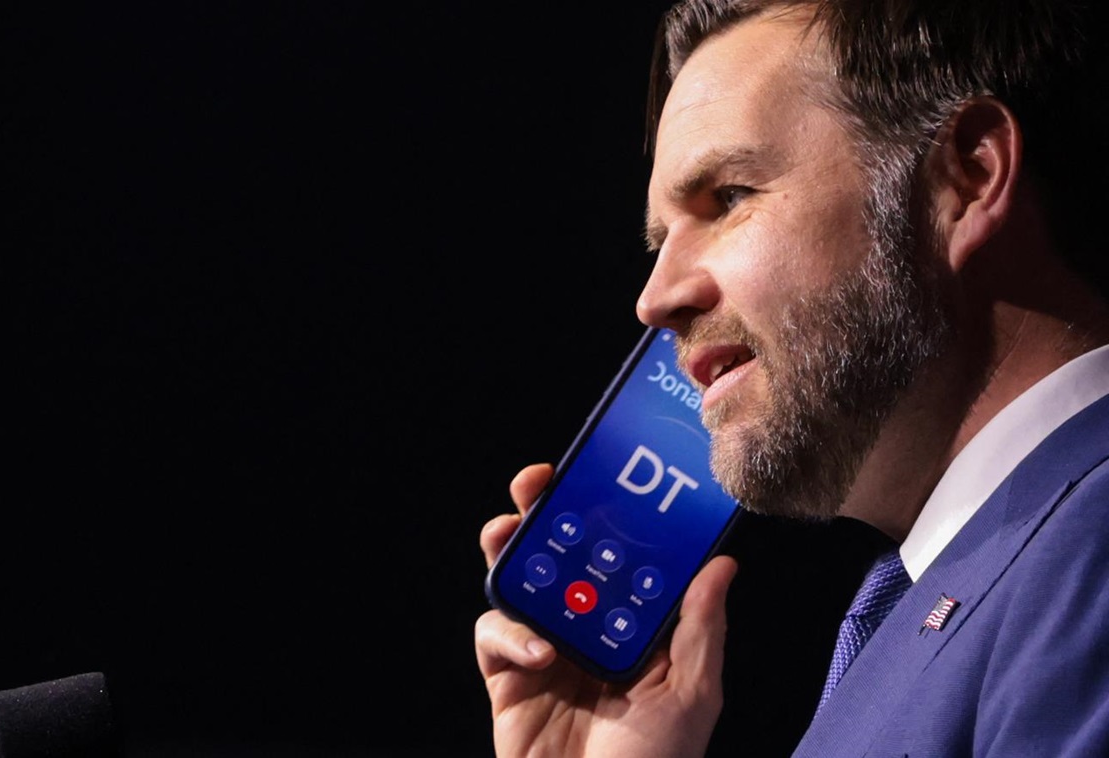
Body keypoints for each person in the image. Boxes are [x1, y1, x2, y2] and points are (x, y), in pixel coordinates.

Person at [474, 0, 1109, 755]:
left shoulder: (1087, 548)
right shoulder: (951, 589)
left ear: (967, 177)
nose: (655, 299)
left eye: (727, 198)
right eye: (660, 240)